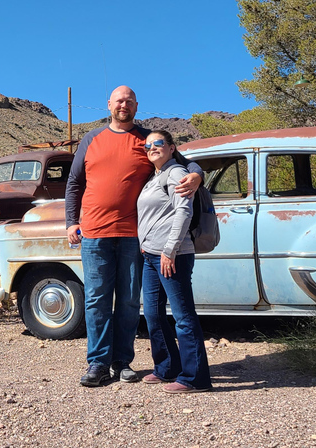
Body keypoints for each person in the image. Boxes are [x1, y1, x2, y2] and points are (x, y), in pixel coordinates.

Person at [65, 86, 202, 387]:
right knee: (96, 299)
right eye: (119, 101)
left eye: (129, 101)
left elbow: (182, 161)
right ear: (109, 105)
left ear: (136, 105)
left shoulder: (147, 139)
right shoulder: (91, 139)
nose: (124, 105)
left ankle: (122, 362)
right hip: (94, 233)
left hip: (132, 235)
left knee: (128, 301)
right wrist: (71, 221)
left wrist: (197, 174)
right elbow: (74, 183)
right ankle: (98, 363)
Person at [136, 130, 212, 394]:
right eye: (148, 146)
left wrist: (170, 249)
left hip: (172, 255)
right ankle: (167, 367)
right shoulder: (155, 177)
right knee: (154, 314)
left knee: (182, 316)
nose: (152, 148)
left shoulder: (177, 173)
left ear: (171, 147)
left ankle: (195, 378)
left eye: (158, 143)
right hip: (150, 255)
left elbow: (183, 210)